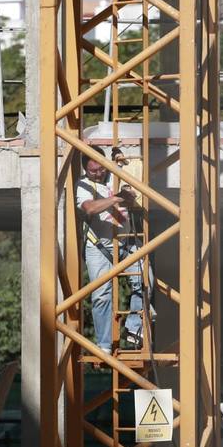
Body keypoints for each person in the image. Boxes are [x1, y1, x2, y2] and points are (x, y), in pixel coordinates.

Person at [75, 150, 145, 351]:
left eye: (100, 168)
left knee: (143, 279)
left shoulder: (116, 175)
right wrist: (116, 199)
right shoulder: (85, 185)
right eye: (92, 171)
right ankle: (104, 345)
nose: (97, 173)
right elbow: (89, 208)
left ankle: (134, 329)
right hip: (99, 247)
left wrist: (127, 195)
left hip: (126, 242)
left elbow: (133, 195)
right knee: (101, 296)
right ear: (86, 170)